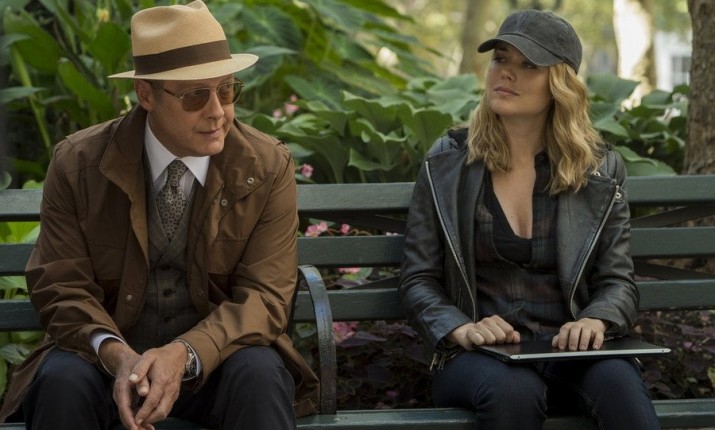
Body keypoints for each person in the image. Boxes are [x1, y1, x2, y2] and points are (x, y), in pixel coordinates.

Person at [0, 1, 319, 429]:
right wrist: (118, 357)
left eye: (226, 90)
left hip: (216, 366)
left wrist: (183, 354)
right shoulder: (77, 163)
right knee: (62, 380)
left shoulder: (266, 166)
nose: (218, 111)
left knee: (260, 373)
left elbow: (265, 297)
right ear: (146, 94)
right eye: (195, 95)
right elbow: (60, 286)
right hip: (105, 366)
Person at [398, 9, 660, 430]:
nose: (506, 73)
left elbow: (618, 282)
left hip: (570, 351)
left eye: (528, 65)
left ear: (560, 83)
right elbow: (418, 278)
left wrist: (595, 320)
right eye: (500, 58)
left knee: (621, 386)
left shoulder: (599, 170)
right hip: (479, 357)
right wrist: (461, 328)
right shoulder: (447, 162)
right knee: (514, 391)